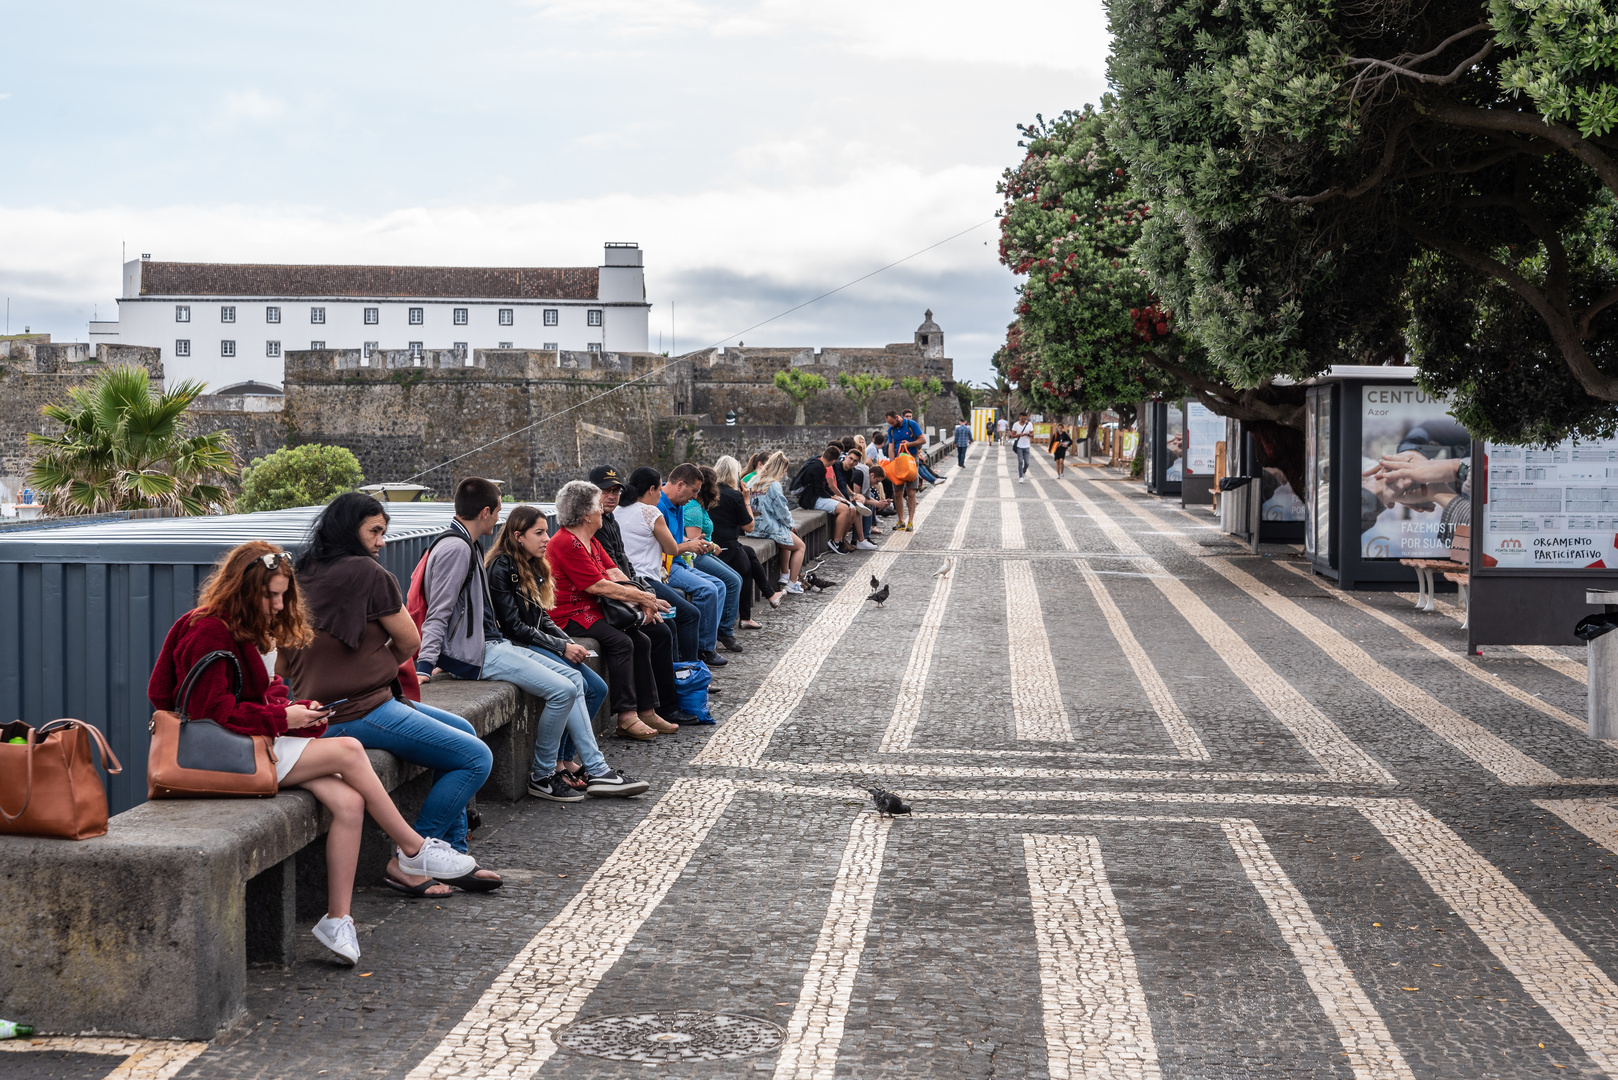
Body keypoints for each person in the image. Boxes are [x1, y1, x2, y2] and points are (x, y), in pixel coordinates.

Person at [150, 541, 477, 964]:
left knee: (348, 800)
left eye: (283, 593)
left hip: (252, 743)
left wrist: (289, 709)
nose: (278, 603)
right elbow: (208, 711)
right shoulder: (209, 628)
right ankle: (414, 850)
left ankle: (337, 920)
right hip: (225, 755)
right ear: (242, 588)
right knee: (349, 750)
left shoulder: (241, 625)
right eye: (269, 594)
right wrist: (282, 719)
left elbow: (247, 692)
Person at [283, 492, 501, 897]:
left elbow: (282, 662)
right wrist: (375, 663)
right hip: (362, 709)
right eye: (375, 532)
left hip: (321, 711)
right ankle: (412, 858)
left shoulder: (301, 574)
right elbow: (409, 640)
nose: (382, 541)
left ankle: (451, 852)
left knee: (463, 728)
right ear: (351, 531)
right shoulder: (370, 575)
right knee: (475, 757)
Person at [413, 477, 651, 803]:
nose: (498, 518)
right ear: (485, 511)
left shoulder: (462, 543)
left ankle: (595, 769)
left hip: (490, 645)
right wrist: (425, 664)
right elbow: (438, 612)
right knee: (566, 688)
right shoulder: (457, 548)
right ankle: (545, 774)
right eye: (497, 510)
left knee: (573, 681)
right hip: (481, 652)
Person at [485, 504, 639, 793]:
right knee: (580, 685)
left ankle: (564, 760)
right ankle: (562, 765)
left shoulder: (532, 562)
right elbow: (514, 627)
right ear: (519, 536)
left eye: (546, 531)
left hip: (535, 639)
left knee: (598, 689)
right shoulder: (502, 567)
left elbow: (541, 615)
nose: (547, 538)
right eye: (539, 532)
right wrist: (561, 646)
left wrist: (566, 642)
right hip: (520, 645)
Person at [548, 479, 690, 742]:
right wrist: (644, 598)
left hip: (592, 609)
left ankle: (647, 710)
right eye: (597, 505)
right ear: (585, 514)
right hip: (571, 614)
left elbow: (615, 573)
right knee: (622, 642)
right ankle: (626, 716)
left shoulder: (589, 540)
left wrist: (644, 598)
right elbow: (597, 586)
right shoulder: (566, 543)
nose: (602, 509)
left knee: (644, 639)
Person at [588, 465, 693, 720]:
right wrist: (644, 600)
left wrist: (645, 597)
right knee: (662, 630)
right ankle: (660, 706)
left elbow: (622, 565)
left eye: (615, 490)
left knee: (661, 630)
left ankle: (655, 707)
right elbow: (603, 577)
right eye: (605, 491)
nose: (611, 496)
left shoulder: (610, 519)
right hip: (604, 604)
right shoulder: (595, 523)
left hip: (626, 591)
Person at [615, 466, 727, 667]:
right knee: (690, 615)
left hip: (626, 577)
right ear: (651, 490)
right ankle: (691, 670)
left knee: (675, 616)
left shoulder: (617, 510)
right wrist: (690, 545)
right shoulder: (651, 511)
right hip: (645, 579)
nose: (661, 493)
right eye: (659, 489)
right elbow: (672, 548)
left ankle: (678, 666)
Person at [712, 454, 784, 626]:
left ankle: (766, 599)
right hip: (727, 547)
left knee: (750, 553)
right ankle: (748, 614)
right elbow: (749, 526)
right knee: (746, 569)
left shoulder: (711, 493)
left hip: (716, 543)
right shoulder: (734, 496)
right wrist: (746, 499)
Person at [684, 466, 747, 653]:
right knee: (732, 581)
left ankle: (724, 628)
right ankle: (724, 631)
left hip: (705, 552)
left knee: (736, 577)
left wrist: (712, 545)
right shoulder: (693, 509)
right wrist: (710, 545)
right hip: (695, 557)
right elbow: (696, 544)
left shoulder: (698, 507)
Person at [749, 451, 807, 593]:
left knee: (786, 538)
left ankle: (784, 574)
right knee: (800, 546)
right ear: (782, 469)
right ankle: (792, 583)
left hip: (753, 527)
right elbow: (782, 511)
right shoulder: (773, 485)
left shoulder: (753, 481)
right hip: (769, 528)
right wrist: (791, 524)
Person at [795, 444, 860, 554]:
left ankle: (841, 540)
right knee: (844, 509)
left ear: (824, 453)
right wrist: (832, 497)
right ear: (834, 460)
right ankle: (837, 541)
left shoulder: (818, 464)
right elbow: (820, 489)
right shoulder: (818, 468)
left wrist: (834, 496)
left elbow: (823, 487)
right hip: (811, 500)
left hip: (815, 496)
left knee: (848, 506)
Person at [883, 412, 921, 532]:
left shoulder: (911, 424)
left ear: (898, 417)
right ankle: (901, 520)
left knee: (911, 492)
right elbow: (890, 447)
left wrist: (909, 444)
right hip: (899, 461)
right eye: (889, 423)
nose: (892, 425)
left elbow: (922, 440)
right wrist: (892, 463)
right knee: (897, 492)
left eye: (893, 422)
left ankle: (910, 521)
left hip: (911, 460)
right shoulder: (891, 430)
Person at [901, 410, 941, 485]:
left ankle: (935, 478)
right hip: (905, 455)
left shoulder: (912, 426)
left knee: (922, 464)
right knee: (919, 466)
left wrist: (919, 453)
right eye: (907, 416)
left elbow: (919, 441)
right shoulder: (901, 428)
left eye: (910, 416)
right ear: (902, 417)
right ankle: (933, 480)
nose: (909, 418)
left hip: (914, 453)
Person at [1011, 411, 1035, 482]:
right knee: (1020, 461)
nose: (1023, 420)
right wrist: (1019, 435)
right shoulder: (1015, 424)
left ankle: (1023, 472)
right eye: (1022, 418)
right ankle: (1021, 476)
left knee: (1027, 463)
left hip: (1027, 446)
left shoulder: (1029, 424)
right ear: (1020, 417)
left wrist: (1027, 434)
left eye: (1025, 418)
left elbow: (1032, 435)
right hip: (1019, 446)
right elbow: (1012, 435)